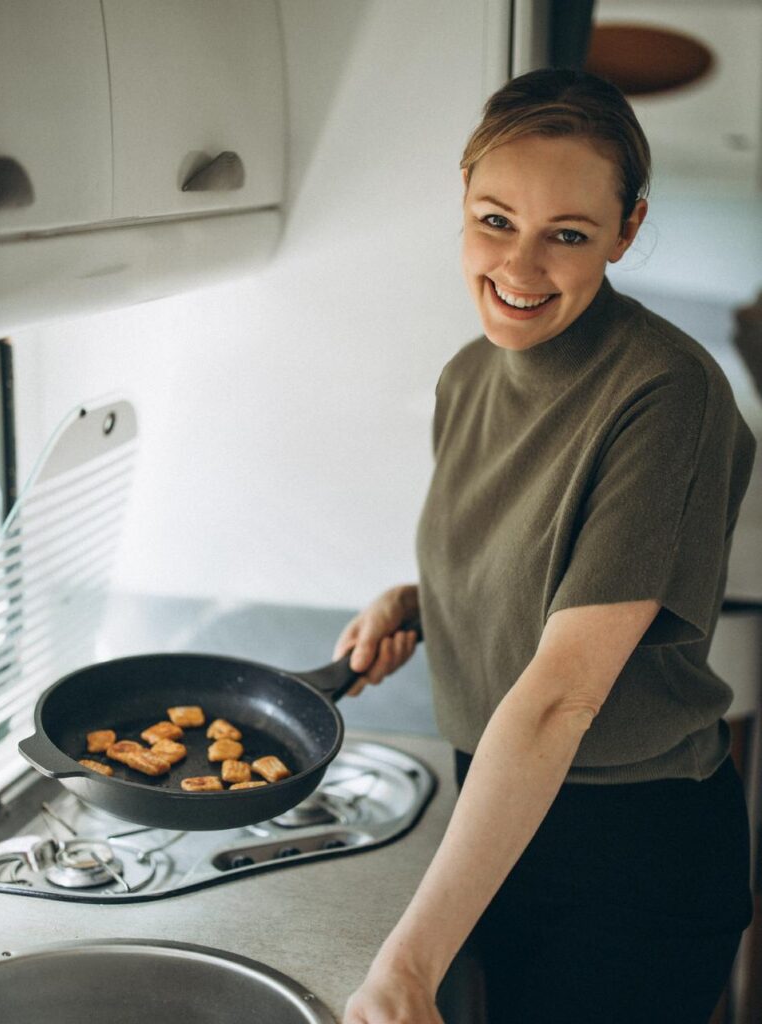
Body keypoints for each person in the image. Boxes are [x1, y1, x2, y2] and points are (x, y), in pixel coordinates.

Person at [335, 69, 756, 1024]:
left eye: (566, 234)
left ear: (627, 231)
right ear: (463, 202)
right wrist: (421, 601)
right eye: (494, 221)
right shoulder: (469, 375)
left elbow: (566, 689)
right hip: (494, 814)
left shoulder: (666, 393)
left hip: (626, 859)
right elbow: (536, 560)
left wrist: (407, 965)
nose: (519, 269)